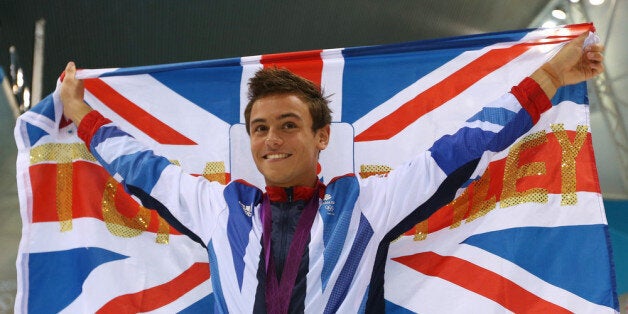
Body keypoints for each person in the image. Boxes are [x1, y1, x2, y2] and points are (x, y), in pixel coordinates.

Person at [60, 32, 604, 313]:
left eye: (288, 124)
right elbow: (136, 166)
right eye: (259, 127)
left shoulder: (365, 203)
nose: (271, 139)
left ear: (322, 137)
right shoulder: (217, 206)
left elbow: (466, 145)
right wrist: (78, 110)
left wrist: (554, 73)